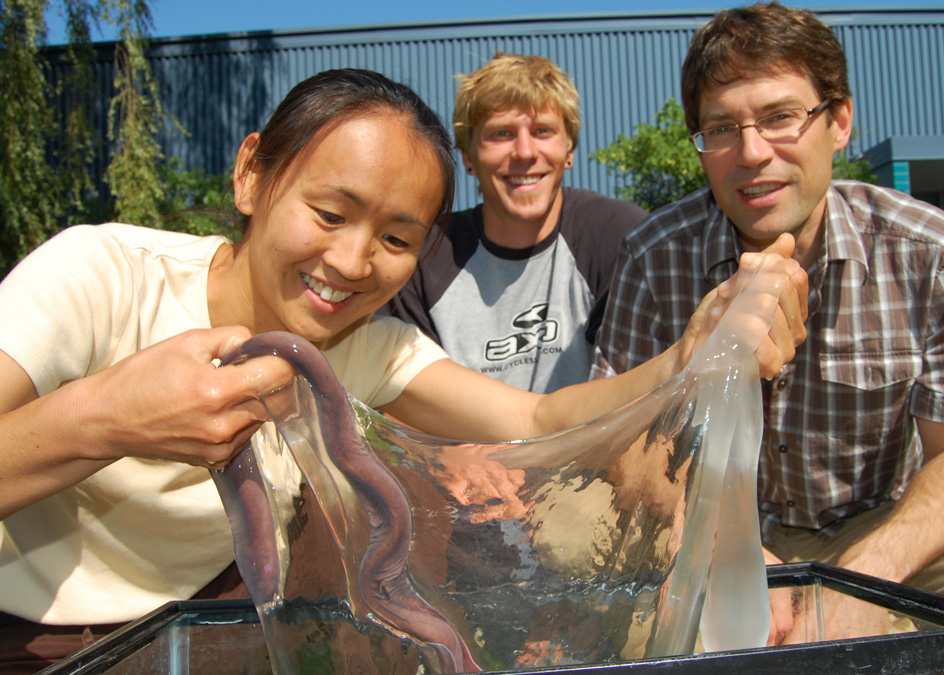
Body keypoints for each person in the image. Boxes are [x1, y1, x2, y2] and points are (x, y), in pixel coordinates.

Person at [0, 68, 805, 671]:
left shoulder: (363, 347)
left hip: (204, 628)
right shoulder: (100, 276)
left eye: (395, 238)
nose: (349, 263)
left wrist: (696, 350)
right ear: (252, 175)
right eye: (328, 212)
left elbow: (535, 421)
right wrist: (108, 417)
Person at [593, 0, 944, 640]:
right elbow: (622, 450)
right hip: (714, 523)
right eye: (721, 127)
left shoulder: (935, 254)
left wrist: (872, 573)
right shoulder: (653, 258)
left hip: (880, 520)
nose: (751, 153)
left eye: (781, 117)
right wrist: (729, 552)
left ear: (839, 121)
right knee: (603, 594)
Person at [384, 53, 648, 393]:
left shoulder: (617, 234)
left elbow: (636, 395)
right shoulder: (425, 256)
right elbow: (412, 407)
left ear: (569, 149)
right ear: (467, 156)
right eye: (501, 133)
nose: (524, 152)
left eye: (542, 131)